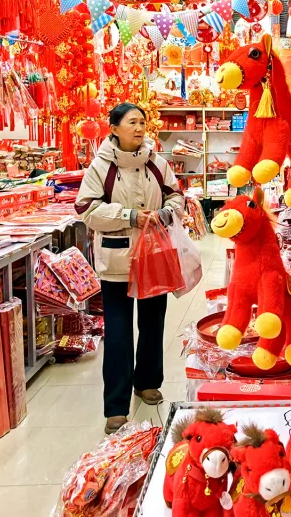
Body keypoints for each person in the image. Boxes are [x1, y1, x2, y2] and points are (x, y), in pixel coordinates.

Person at [76, 103, 185, 434]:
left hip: (154, 255)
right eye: (132, 122)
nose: (139, 128)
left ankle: (148, 382)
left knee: (153, 323)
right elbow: (87, 209)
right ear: (114, 128)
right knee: (120, 332)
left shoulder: (156, 162)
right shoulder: (101, 166)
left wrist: (165, 213)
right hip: (117, 260)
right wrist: (129, 216)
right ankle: (116, 405)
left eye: (142, 122)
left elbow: (177, 196)